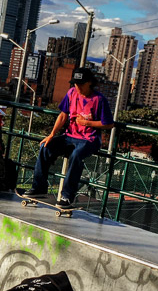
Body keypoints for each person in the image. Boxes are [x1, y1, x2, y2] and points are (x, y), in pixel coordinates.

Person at [25, 67, 114, 208]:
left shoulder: (99, 100)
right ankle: (39, 188)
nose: (77, 87)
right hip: (69, 135)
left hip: (89, 139)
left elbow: (109, 124)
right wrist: (51, 135)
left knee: (76, 155)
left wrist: (86, 123)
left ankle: (67, 196)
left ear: (89, 83)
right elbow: (62, 115)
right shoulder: (71, 93)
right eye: (75, 83)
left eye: (81, 84)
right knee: (45, 147)